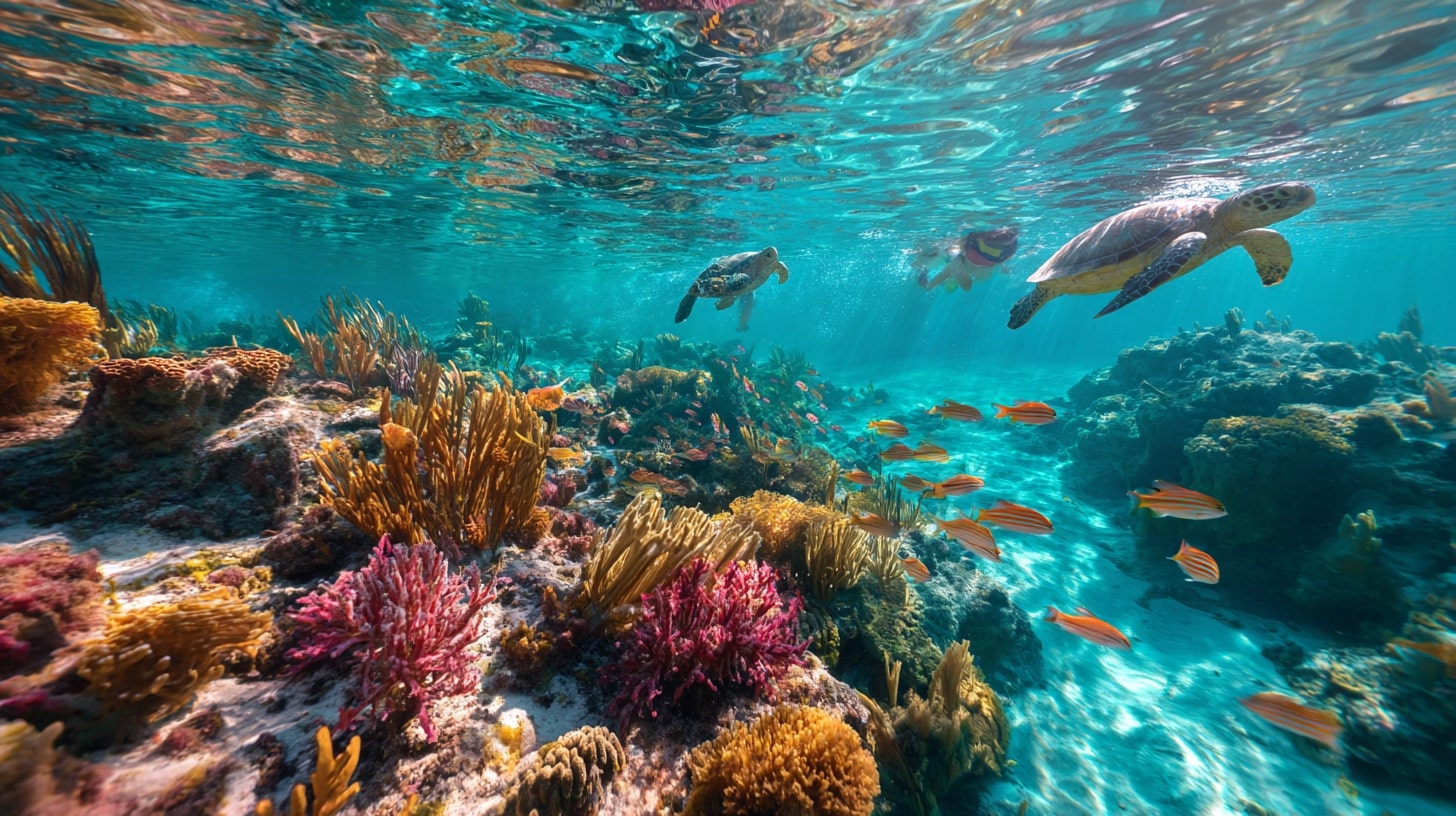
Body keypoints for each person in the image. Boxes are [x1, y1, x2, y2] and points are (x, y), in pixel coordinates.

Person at [914, 226, 1020, 292]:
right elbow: (947, 277)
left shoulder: (998, 257)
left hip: (958, 263)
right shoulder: (955, 262)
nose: (978, 264)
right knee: (947, 270)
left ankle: (943, 280)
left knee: (951, 278)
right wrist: (929, 286)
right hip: (957, 262)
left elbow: (964, 284)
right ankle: (924, 273)